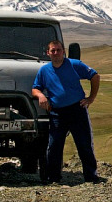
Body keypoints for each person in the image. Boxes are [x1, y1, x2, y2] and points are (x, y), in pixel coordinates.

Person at [32, 40, 103, 184]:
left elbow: (95, 76)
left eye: (58, 50)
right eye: (53, 51)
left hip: (77, 110)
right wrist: (40, 95)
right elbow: (35, 88)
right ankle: (53, 178)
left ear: (63, 51)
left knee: (84, 144)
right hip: (57, 113)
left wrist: (91, 98)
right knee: (54, 146)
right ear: (48, 53)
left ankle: (91, 177)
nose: (56, 53)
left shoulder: (74, 64)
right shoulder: (44, 71)